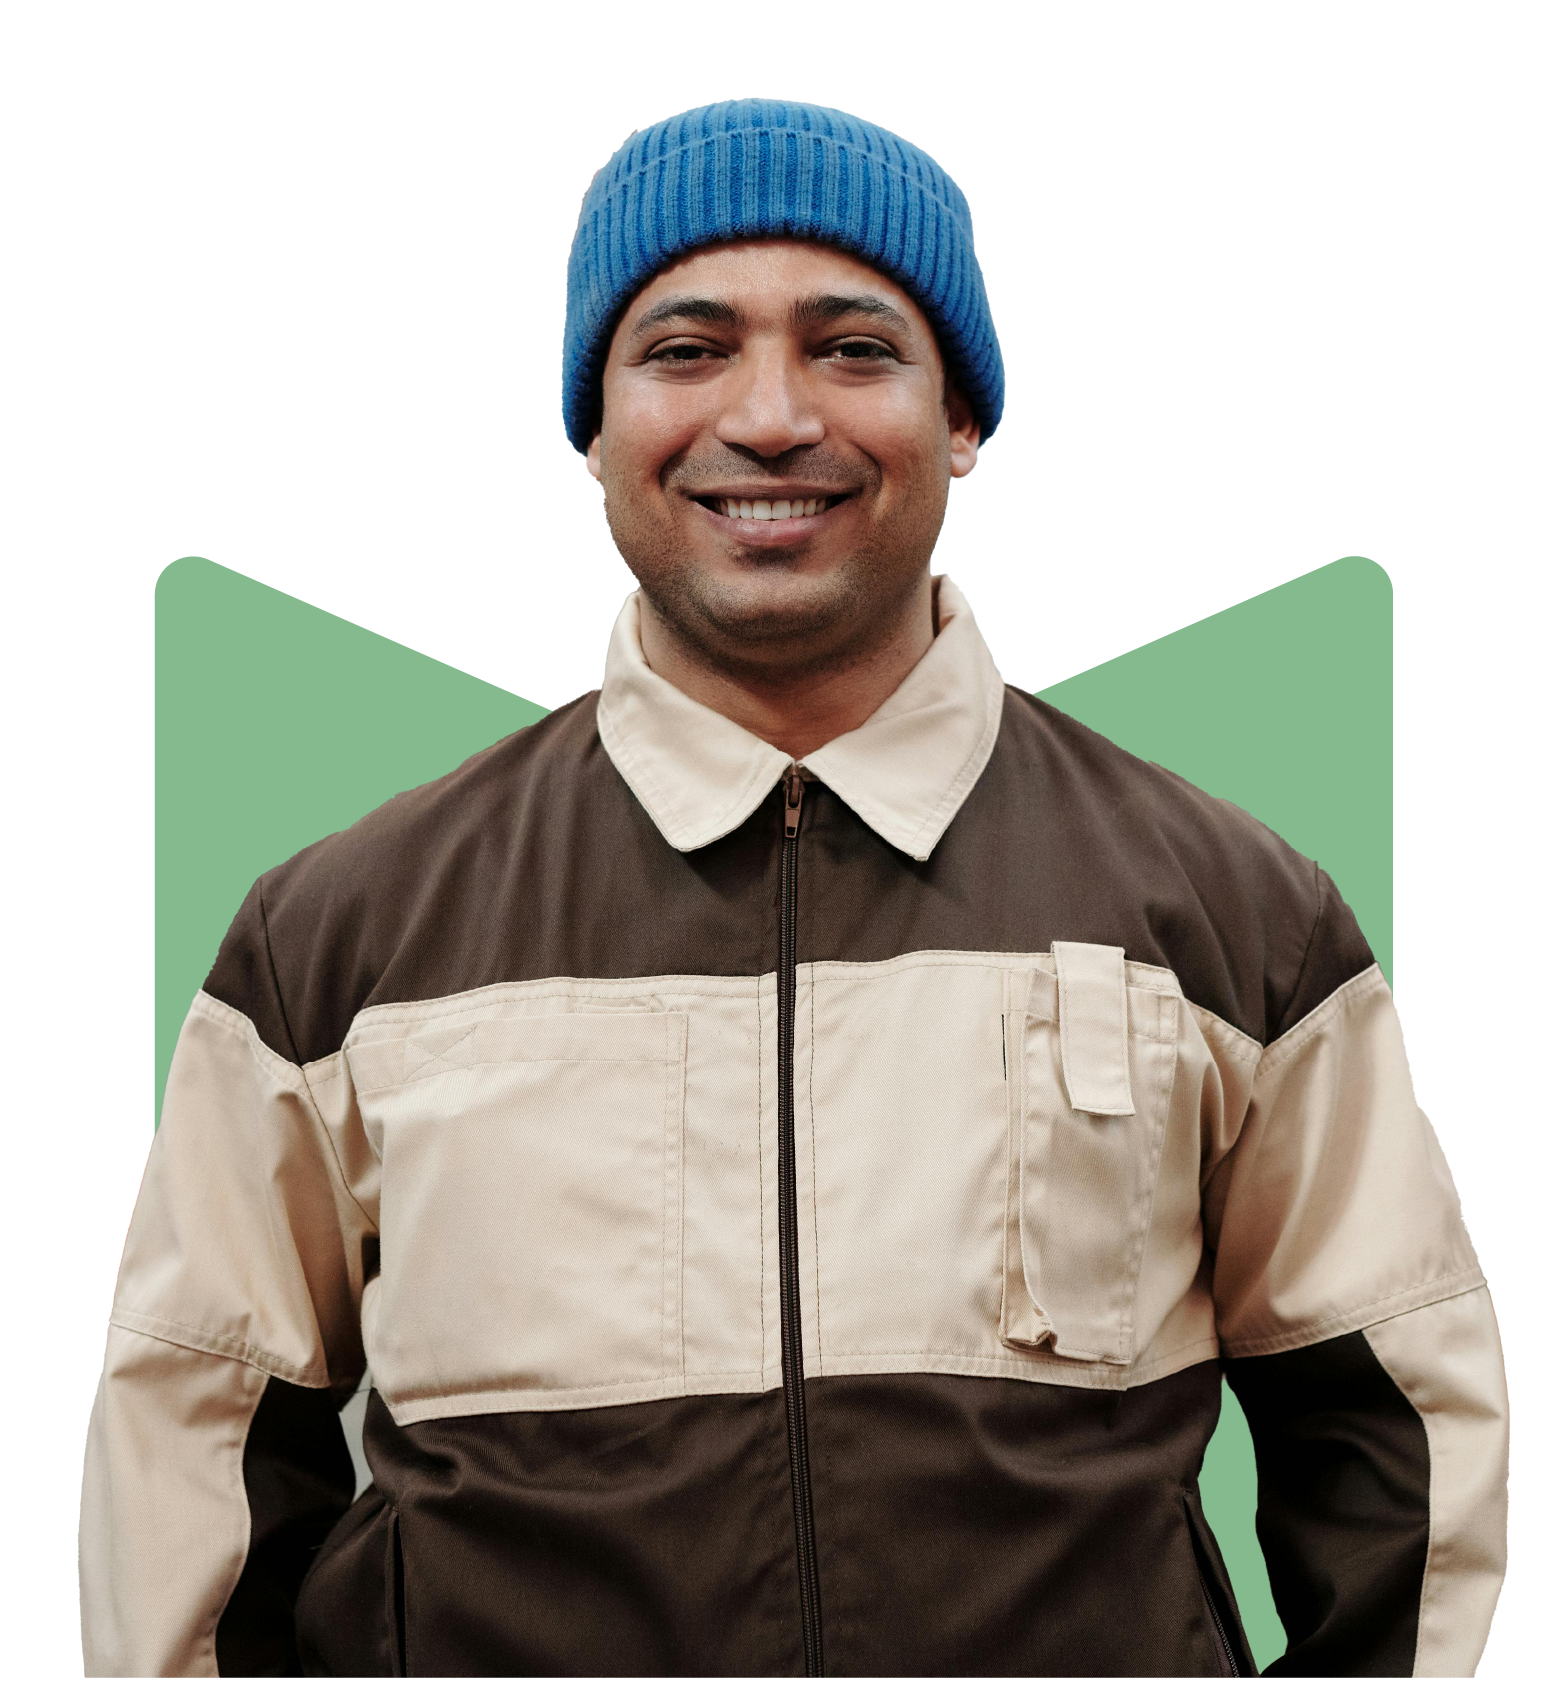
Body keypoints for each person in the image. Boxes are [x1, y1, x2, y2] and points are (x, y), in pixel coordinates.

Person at [79, 97, 1507, 1679]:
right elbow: (191, 1459)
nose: (768, 416)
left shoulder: (1238, 918)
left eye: (853, 348)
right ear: (594, 425)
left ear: (962, 420)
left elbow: (1405, 1449)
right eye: (687, 349)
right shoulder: (336, 940)